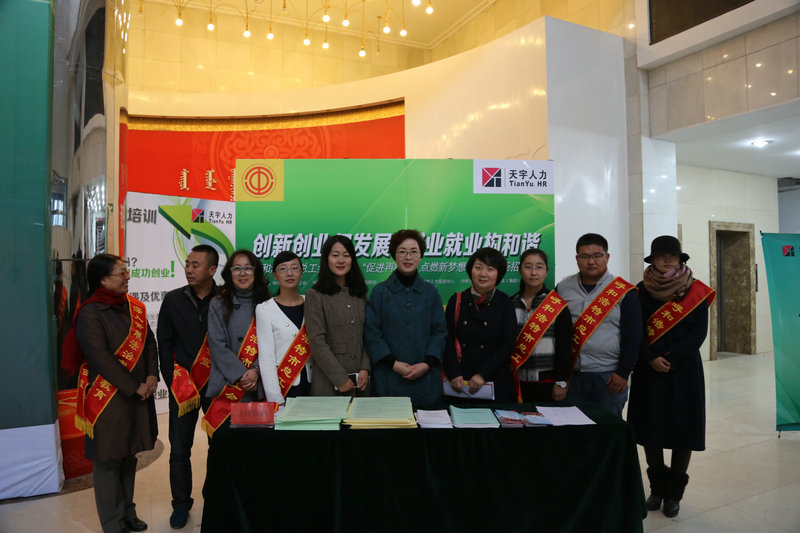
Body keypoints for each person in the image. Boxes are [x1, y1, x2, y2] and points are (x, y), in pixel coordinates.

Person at [628, 236, 714, 518]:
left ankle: (674, 494)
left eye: (672, 256)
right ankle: (656, 489)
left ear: (680, 259)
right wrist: (650, 357)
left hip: (683, 371)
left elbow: (698, 333)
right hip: (648, 369)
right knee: (650, 430)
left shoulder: (695, 290)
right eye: (661, 255)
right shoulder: (640, 291)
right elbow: (635, 330)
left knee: (682, 431)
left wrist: (672, 358)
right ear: (652, 259)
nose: (667, 260)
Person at [71, 254, 158, 533]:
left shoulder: (133, 307)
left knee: (128, 456)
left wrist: (152, 375)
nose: (127, 276)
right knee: (108, 461)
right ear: (103, 279)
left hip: (136, 397)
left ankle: (128, 513)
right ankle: (112, 523)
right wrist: (135, 386)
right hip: (107, 399)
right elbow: (101, 358)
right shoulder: (90, 313)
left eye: (126, 271)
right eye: (121, 272)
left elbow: (149, 343)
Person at [157, 244, 218, 529]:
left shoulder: (225, 299)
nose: (189, 269)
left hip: (217, 386)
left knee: (219, 445)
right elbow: (165, 342)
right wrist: (173, 380)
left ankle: (214, 496)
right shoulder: (173, 299)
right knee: (180, 449)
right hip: (183, 387)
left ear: (212, 270)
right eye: (187, 264)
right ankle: (181, 503)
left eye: (196, 265)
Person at [556, 233, 642, 417]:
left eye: (597, 256)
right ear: (577, 259)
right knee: (573, 427)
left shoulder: (623, 291)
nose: (591, 262)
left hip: (609, 376)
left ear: (607, 257)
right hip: (573, 375)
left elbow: (633, 335)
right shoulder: (563, 288)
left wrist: (623, 372)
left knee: (607, 428)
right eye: (585, 256)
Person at [364, 229, 447, 407]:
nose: (408, 257)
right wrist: (393, 364)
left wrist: (426, 364)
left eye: (413, 252)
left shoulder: (431, 292)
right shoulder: (380, 292)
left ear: (421, 256)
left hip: (425, 378)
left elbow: (439, 332)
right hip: (388, 377)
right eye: (402, 251)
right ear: (394, 255)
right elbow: (372, 333)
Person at [203, 249, 269, 436]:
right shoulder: (218, 303)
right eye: (237, 269)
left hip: (259, 384)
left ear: (256, 271)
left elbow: (272, 345)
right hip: (228, 384)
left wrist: (255, 371)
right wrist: (242, 375)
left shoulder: (267, 303)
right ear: (229, 273)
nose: (243, 273)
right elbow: (217, 345)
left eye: (248, 268)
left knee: (257, 443)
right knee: (227, 444)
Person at [443, 247, 517, 403]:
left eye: (490, 269)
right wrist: (454, 372)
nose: (483, 274)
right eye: (478, 267)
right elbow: (447, 339)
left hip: (493, 381)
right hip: (461, 382)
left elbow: (507, 344)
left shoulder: (505, 303)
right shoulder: (457, 300)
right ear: (471, 270)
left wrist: (483, 374)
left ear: (498, 274)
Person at [305, 235, 371, 396]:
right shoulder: (315, 295)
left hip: (361, 382)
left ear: (352, 260)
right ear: (326, 259)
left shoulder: (359, 294)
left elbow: (369, 335)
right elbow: (317, 342)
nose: (341, 260)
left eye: (346, 255)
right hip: (328, 382)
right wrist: (340, 379)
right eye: (335, 255)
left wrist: (365, 368)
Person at [510, 248, 573, 403]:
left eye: (539, 267)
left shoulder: (557, 305)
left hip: (548, 383)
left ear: (546, 271)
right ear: (520, 270)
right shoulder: (509, 304)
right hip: (515, 382)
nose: (533, 272)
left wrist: (561, 381)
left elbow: (565, 347)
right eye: (528, 267)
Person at [256, 251, 312, 403]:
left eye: (294, 268)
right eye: (283, 269)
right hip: (285, 385)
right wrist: (276, 399)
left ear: (301, 272)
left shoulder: (312, 303)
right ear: (275, 275)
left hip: (314, 383)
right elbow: (266, 358)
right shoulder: (265, 309)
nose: (289, 273)